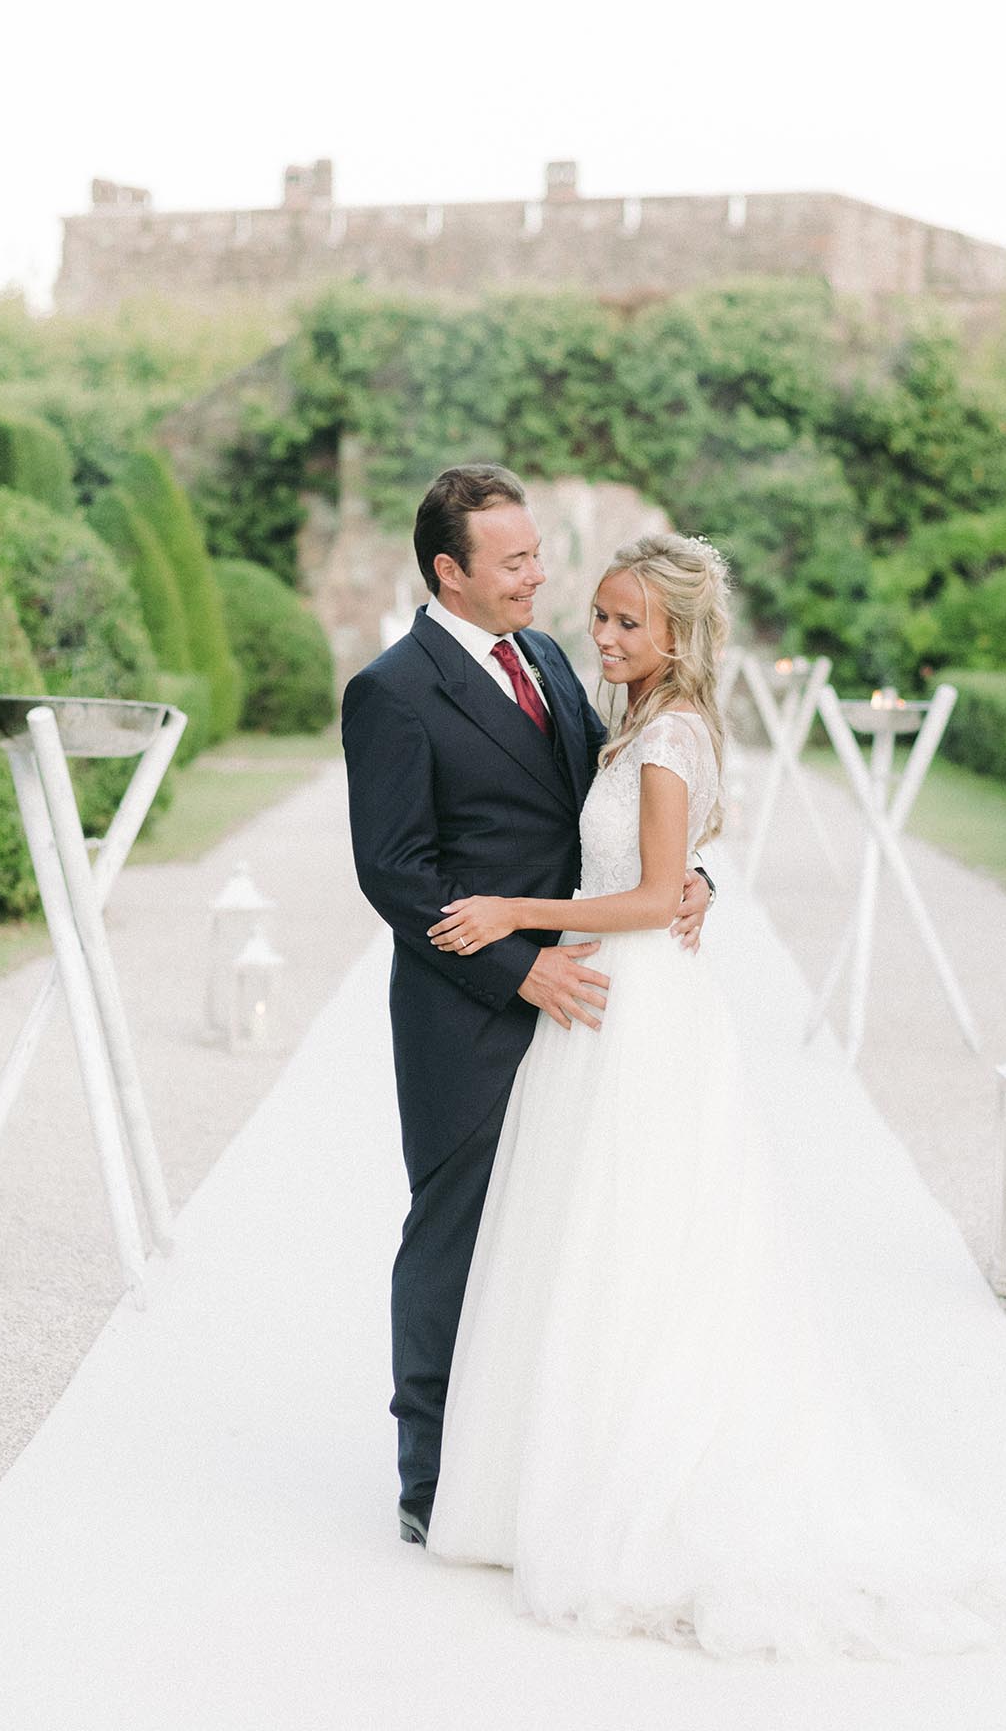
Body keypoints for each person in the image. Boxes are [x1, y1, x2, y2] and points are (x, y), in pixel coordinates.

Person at [423, 528, 1006, 1660]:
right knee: (593, 1244)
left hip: (636, 1006)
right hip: (608, 1006)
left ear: (678, 630)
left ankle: (643, 1488)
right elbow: (664, 876)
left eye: (631, 621)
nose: (607, 634)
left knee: (644, 1246)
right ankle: (558, 1475)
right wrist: (678, 884)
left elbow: (643, 896)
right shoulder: (631, 717)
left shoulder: (670, 732)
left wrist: (513, 912)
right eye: (603, 616)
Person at [340, 466, 712, 1548]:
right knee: (454, 1234)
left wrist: (690, 883)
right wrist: (520, 970)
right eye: (514, 563)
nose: (539, 578)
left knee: (558, 1235)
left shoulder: (550, 657)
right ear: (449, 573)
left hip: (591, 1002)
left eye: (538, 554)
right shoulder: (392, 691)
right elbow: (397, 874)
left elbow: (620, 804)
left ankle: (532, 1458)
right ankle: (429, 1478)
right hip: (469, 1009)